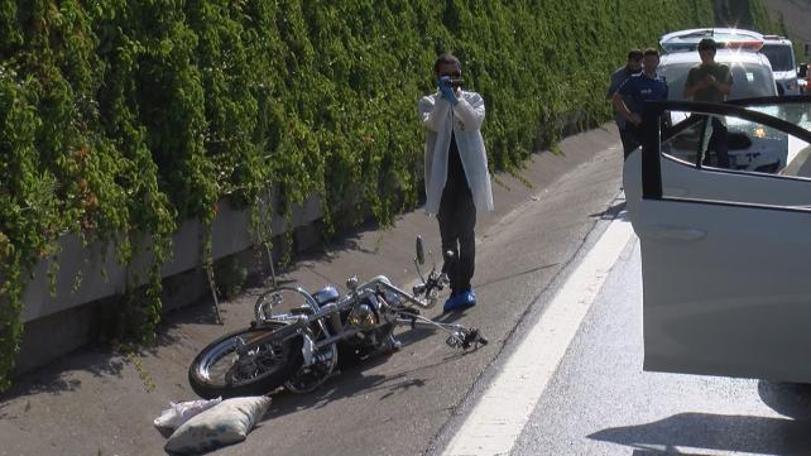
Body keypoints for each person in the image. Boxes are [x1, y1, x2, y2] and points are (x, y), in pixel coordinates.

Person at [418, 53, 494, 312]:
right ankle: (455, 287)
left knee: (466, 233)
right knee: (447, 236)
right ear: (437, 77)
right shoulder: (428, 102)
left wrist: (457, 100)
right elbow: (434, 125)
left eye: (454, 74)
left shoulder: (472, 98)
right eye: (444, 75)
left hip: (467, 179)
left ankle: (466, 284)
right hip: (442, 181)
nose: (450, 80)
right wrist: (443, 100)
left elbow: (473, 121)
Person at [684, 38, 733, 168]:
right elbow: (686, 93)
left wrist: (714, 82)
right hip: (698, 117)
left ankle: (725, 174)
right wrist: (700, 85)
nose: (705, 57)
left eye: (708, 54)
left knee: (721, 149)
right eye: (703, 54)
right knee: (701, 151)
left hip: (718, 116)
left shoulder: (723, 69)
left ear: (714, 53)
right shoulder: (694, 71)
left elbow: (728, 90)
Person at [611, 48, 669, 155]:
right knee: (634, 158)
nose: (650, 64)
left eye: (653, 61)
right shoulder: (634, 80)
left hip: (657, 128)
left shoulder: (662, 82)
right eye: (647, 61)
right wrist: (629, 116)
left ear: (658, 62)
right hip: (639, 127)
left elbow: (665, 104)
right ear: (643, 62)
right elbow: (616, 98)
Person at [607, 49, 644, 157]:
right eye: (635, 60)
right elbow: (613, 96)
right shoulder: (618, 76)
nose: (637, 63)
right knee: (630, 152)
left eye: (640, 60)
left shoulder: (647, 73)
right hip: (625, 120)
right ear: (629, 61)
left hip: (644, 119)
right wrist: (629, 116)